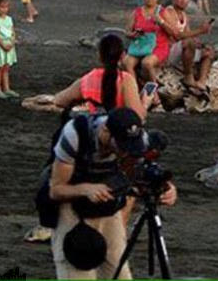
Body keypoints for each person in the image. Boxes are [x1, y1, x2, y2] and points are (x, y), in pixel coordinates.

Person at [48, 108, 177, 279]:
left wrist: (165, 187)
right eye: (121, 146)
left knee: (120, 274)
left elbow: (141, 171)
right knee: (78, 274)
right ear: (105, 131)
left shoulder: (137, 139)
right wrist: (86, 189)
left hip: (109, 207)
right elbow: (55, 190)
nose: (125, 152)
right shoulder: (75, 135)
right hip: (72, 209)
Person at [52, 34, 152, 119]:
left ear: (99, 56)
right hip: (117, 131)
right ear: (123, 55)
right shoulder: (125, 80)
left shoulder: (88, 78)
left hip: (94, 128)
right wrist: (145, 103)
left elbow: (59, 100)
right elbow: (138, 116)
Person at [159, 0, 216, 98]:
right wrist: (200, 30)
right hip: (168, 51)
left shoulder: (184, 16)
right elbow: (177, 35)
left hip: (181, 51)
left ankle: (201, 82)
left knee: (209, 51)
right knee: (189, 43)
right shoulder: (168, 12)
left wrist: (200, 43)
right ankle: (188, 77)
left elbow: (188, 34)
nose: (183, 0)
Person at [122, 0, 168, 83]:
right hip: (140, 45)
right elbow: (127, 31)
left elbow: (171, 31)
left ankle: (153, 92)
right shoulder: (137, 12)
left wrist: (161, 22)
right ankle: (133, 89)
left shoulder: (163, 12)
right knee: (127, 62)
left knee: (147, 63)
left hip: (158, 46)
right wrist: (133, 34)